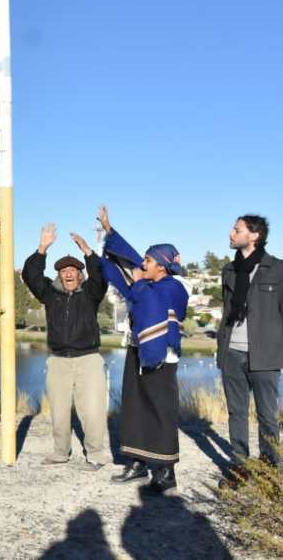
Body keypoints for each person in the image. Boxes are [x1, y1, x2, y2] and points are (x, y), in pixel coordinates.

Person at [97, 205, 188, 495]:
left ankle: (165, 473)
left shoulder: (175, 285)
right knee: (135, 410)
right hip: (138, 352)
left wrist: (137, 285)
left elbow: (149, 301)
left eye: (148, 260)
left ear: (162, 265)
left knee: (160, 412)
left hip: (161, 358)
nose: (143, 265)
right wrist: (110, 234)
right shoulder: (150, 282)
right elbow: (133, 267)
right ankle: (137, 462)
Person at [21, 223, 109, 470]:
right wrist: (43, 248)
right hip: (58, 360)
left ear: (80, 274)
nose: (69, 274)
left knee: (92, 411)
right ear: (59, 275)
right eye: (64, 271)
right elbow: (30, 275)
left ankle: (96, 454)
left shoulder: (91, 293)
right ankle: (60, 453)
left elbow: (101, 275)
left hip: (88, 360)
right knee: (59, 412)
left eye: (73, 270)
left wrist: (88, 252)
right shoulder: (50, 294)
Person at [218, 215, 283, 477]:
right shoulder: (229, 271)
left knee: (267, 415)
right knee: (236, 413)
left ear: (254, 235)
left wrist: (276, 346)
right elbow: (227, 310)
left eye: (236, 229)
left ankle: (269, 468)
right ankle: (240, 466)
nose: (231, 233)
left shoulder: (278, 268)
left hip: (266, 356)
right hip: (232, 354)